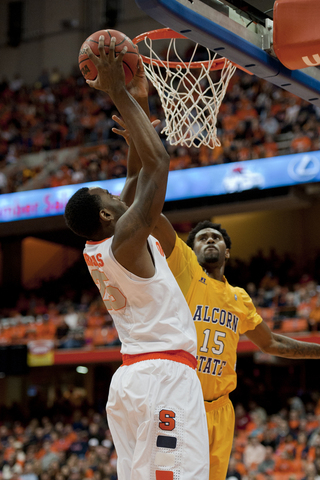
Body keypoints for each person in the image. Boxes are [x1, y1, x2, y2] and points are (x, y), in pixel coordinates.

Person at [112, 62, 320, 480]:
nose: (208, 241)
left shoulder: (239, 298)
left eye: (215, 238)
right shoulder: (184, 268)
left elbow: (273, 342)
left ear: (227, 248)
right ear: (188, 250)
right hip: (179, 399)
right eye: (201, 237)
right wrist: (139, 133)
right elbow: (142, 210)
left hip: (221, 411)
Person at [64, 36, 209, 480]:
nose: (117, 190)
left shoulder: (106, 242)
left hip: (135, 380)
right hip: (162, 377)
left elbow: (136, 174)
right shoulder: (126, 239)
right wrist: (118, 92)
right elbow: (157, 165)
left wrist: (139, 103)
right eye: (108, 194)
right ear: (108, 215)